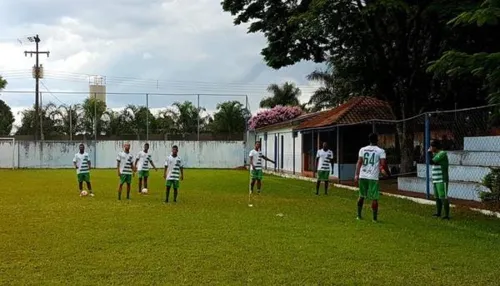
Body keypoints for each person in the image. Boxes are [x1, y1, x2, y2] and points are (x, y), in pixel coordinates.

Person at [354, 133, 390, 222]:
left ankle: (359, 216)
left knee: (361, 195)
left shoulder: (363, 149)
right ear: (377, 140)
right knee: (374, 198)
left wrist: (356, 174)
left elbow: (359, 162)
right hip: (373, 177)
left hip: (363, 175)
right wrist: (388, 173)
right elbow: (383, 164)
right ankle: (374, 219)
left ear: (369, 140)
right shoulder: (380, 151)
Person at [429, 139, 450, 219]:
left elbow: (431, 162)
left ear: (435, 147)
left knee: (443, 196)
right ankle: (438, 213)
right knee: (437, 197)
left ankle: (446, 215)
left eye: (431, 146)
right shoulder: (435, 154)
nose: (430, 148)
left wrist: (429, 153)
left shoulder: (442, 153)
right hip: (436, 178)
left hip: (442, 179)